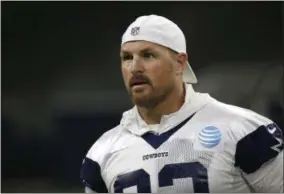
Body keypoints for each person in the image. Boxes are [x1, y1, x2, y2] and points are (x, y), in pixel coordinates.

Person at [80, 14, 283, 193]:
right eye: (126, 57)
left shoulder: (244, 131)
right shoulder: (102, 153)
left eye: (148, 55)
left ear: (180, 63)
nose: (135, 67)